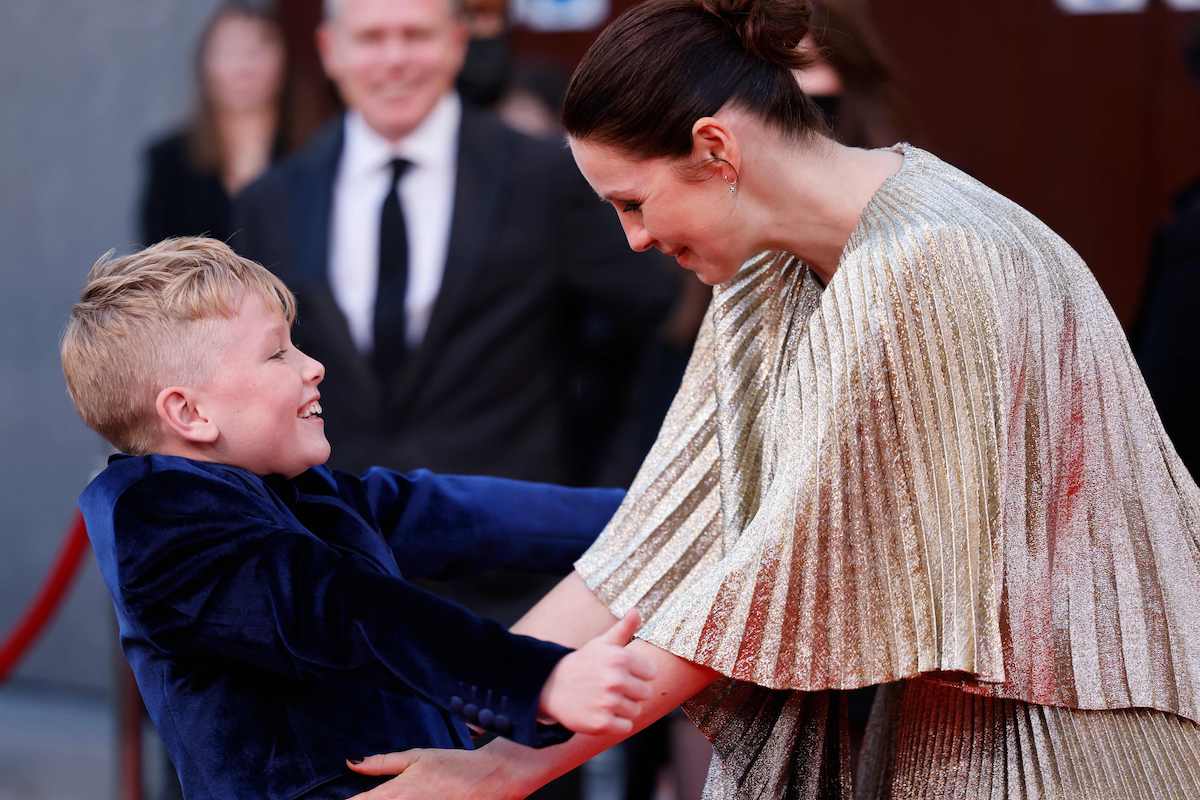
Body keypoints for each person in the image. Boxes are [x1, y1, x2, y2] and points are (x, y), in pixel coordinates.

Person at [343, 0, 1200, 797]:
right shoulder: (767, 271)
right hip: (963, 722)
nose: (633, 239)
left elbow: (769, 590)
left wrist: (495, 771)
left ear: (717, 149)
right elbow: (659, 539)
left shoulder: (935, 256)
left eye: (634, 202)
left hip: (1085, 719)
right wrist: (455, 715)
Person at [60, 237, 658, 800]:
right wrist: (538, 681)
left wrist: (659, 510)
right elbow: (348, 609)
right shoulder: (164, 528)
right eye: (276, 353)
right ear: (189, 413)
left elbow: (462, 515)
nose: (312, 365)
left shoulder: (295, 491)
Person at [140, 3, 290, 245]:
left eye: (256, 50)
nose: (244, 67)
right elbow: (158, 260)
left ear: (282, 58)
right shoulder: (170, 160)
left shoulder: (314, 150)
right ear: (205, 64)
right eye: (229, 52)